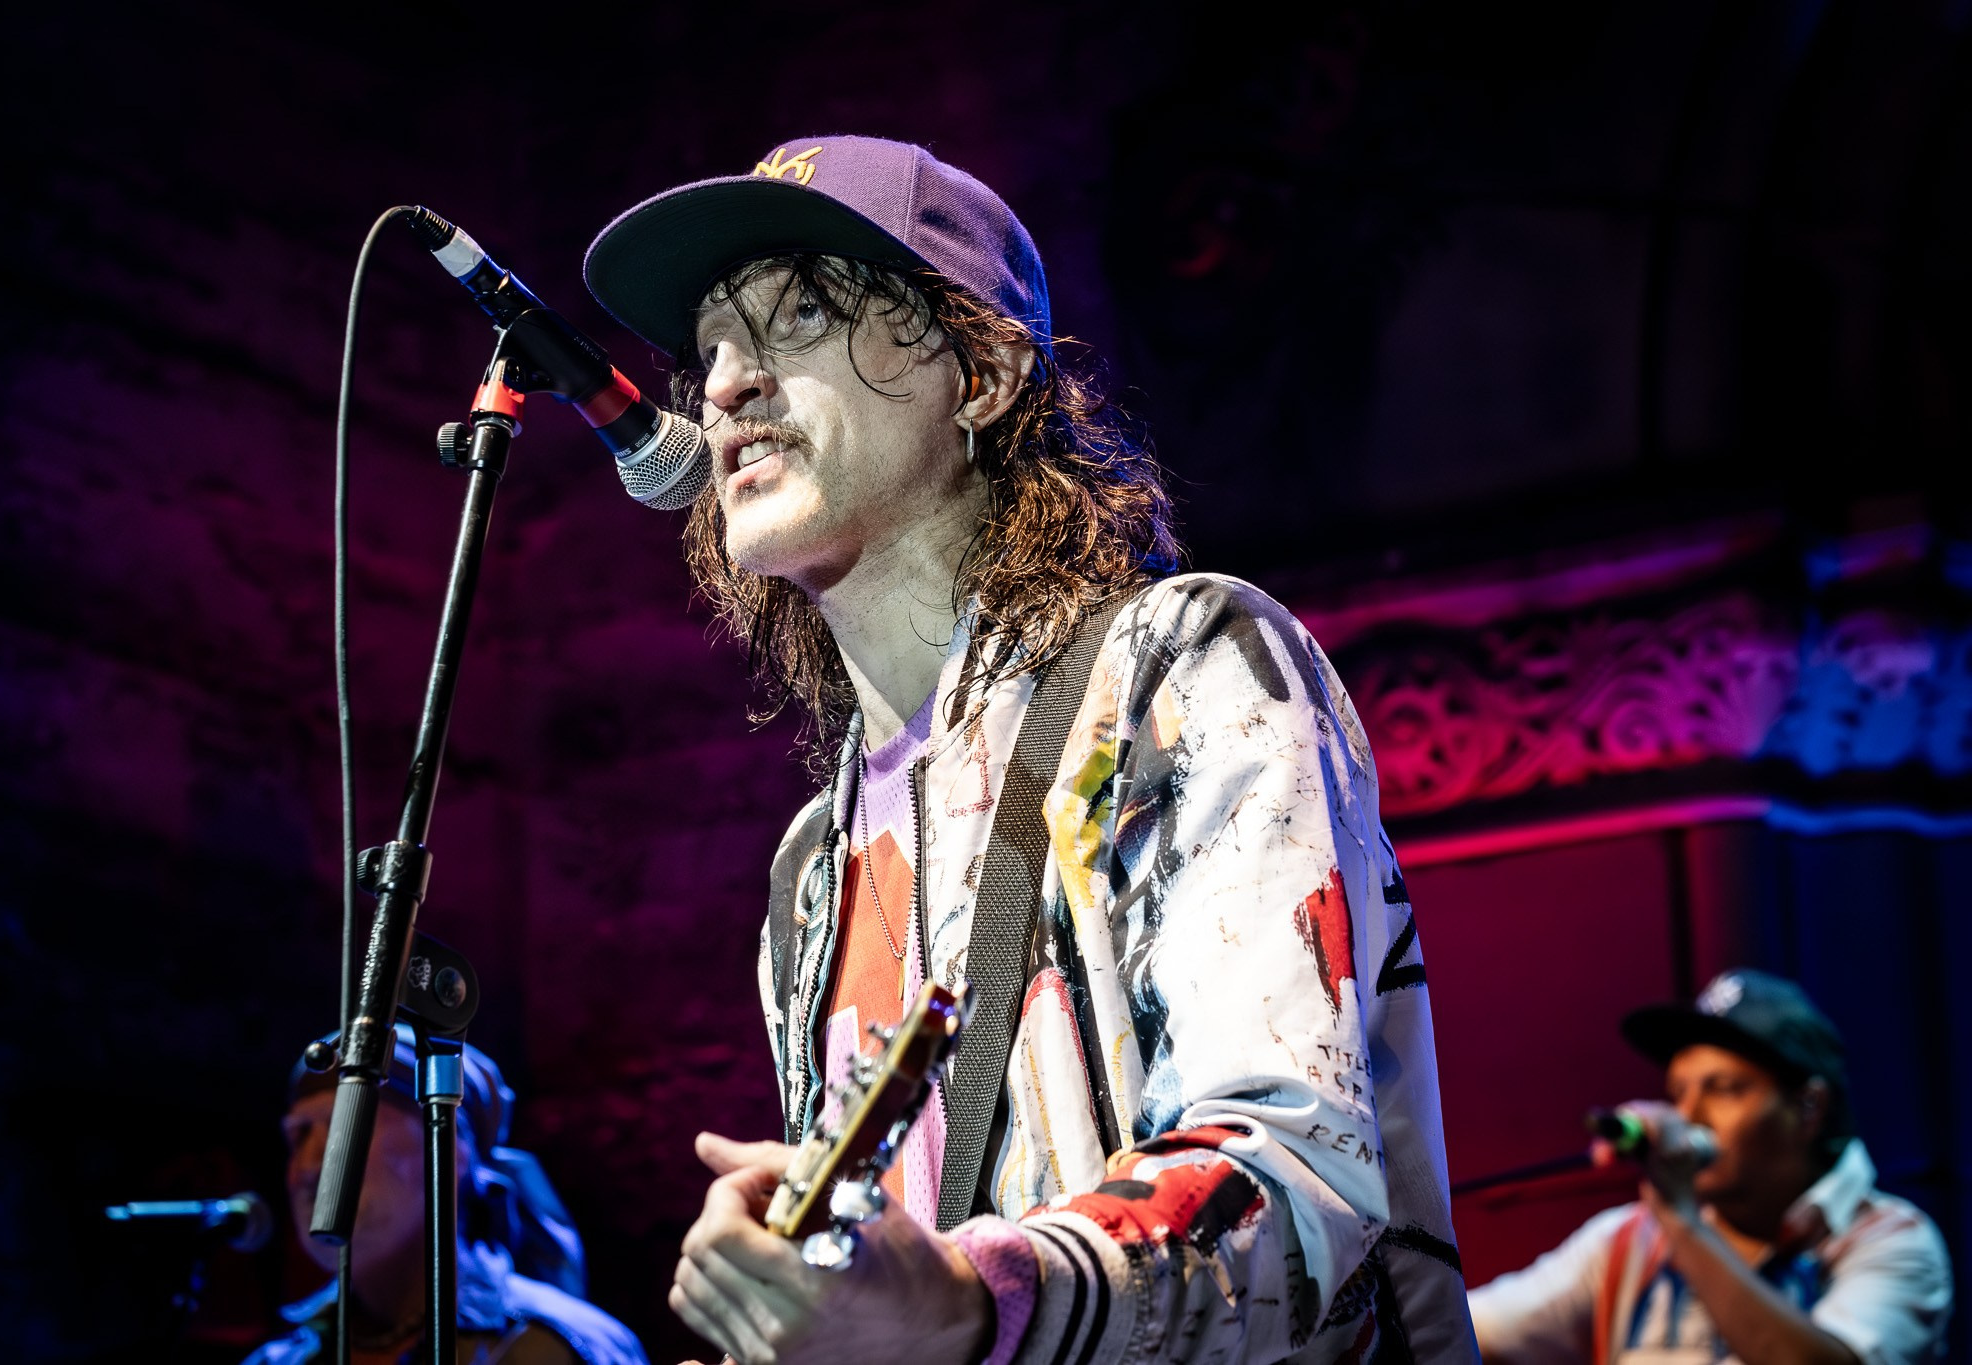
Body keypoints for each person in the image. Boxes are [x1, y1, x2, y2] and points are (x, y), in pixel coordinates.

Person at [579, 135, 1475, 1363]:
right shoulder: (810, 871)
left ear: (984, 372)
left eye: (800, 310)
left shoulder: (1182, 668)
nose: (725, 382)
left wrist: (959, 1302)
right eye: (711, 343)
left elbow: (1288, 1181)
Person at [1468, 968, 1953, 1363]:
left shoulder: (1892, 1242)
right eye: (1679, 1093)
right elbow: (1467, 1330)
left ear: (1809, 1108)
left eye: (1723, 1089)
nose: (1689, 1117)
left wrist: (1682, 1222)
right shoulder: (1627, 1241)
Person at [245, 1026, 649, 1365]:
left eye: (345, 1125)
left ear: (450, 1151)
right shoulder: (280, 1360)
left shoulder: (554, 1349)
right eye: (298, 1135)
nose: (311, 1165)